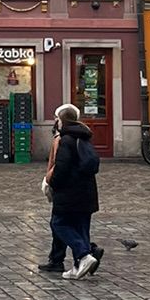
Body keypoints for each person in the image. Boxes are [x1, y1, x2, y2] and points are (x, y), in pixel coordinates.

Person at [43, 102, 102, 279]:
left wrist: (51, 183)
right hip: (87, 192)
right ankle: (78, 266)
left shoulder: (66, 140)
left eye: (57, 119)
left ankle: (84, 254)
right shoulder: (84, 137)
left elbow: (61, 168)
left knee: (59, 224)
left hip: (70, 192)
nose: (56, 122)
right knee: (81, 227)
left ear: (62, 120)